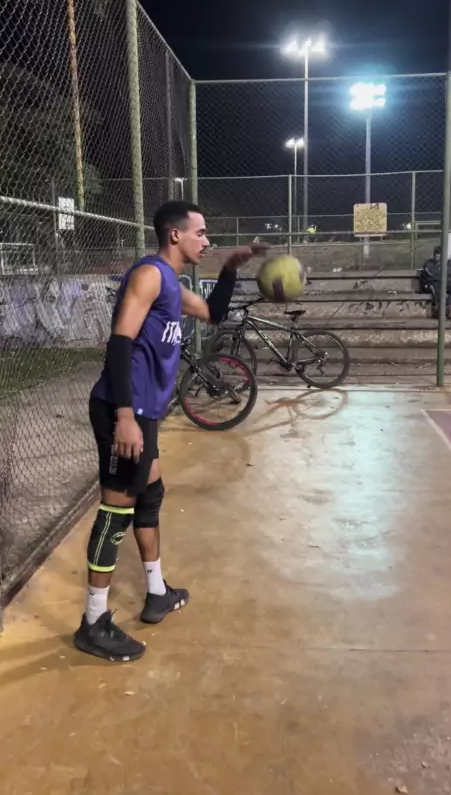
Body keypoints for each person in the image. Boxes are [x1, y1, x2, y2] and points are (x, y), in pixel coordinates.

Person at [73, 201, 267, 662]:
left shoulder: (171, 285)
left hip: (143, 412)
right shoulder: (149, 275)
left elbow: (213, 312)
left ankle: (156, 592)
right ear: (175, 235)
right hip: (122, 409)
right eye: (201, 232)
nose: (206, 240)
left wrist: (231, 266)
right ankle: (93, 622)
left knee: (151, 495)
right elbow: (120, 341)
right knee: (115, 513)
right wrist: (125, 416)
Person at [419, 245, 451, 319]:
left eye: (439, 254)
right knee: (436, 288)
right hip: (431, 283)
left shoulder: (449, 263)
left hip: (444, 282)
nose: (437, 256)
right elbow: (430, 275)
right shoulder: (429, 263)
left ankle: (446, 307)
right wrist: (442, 273)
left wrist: (439, 273)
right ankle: (442, 311)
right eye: (436, 254)